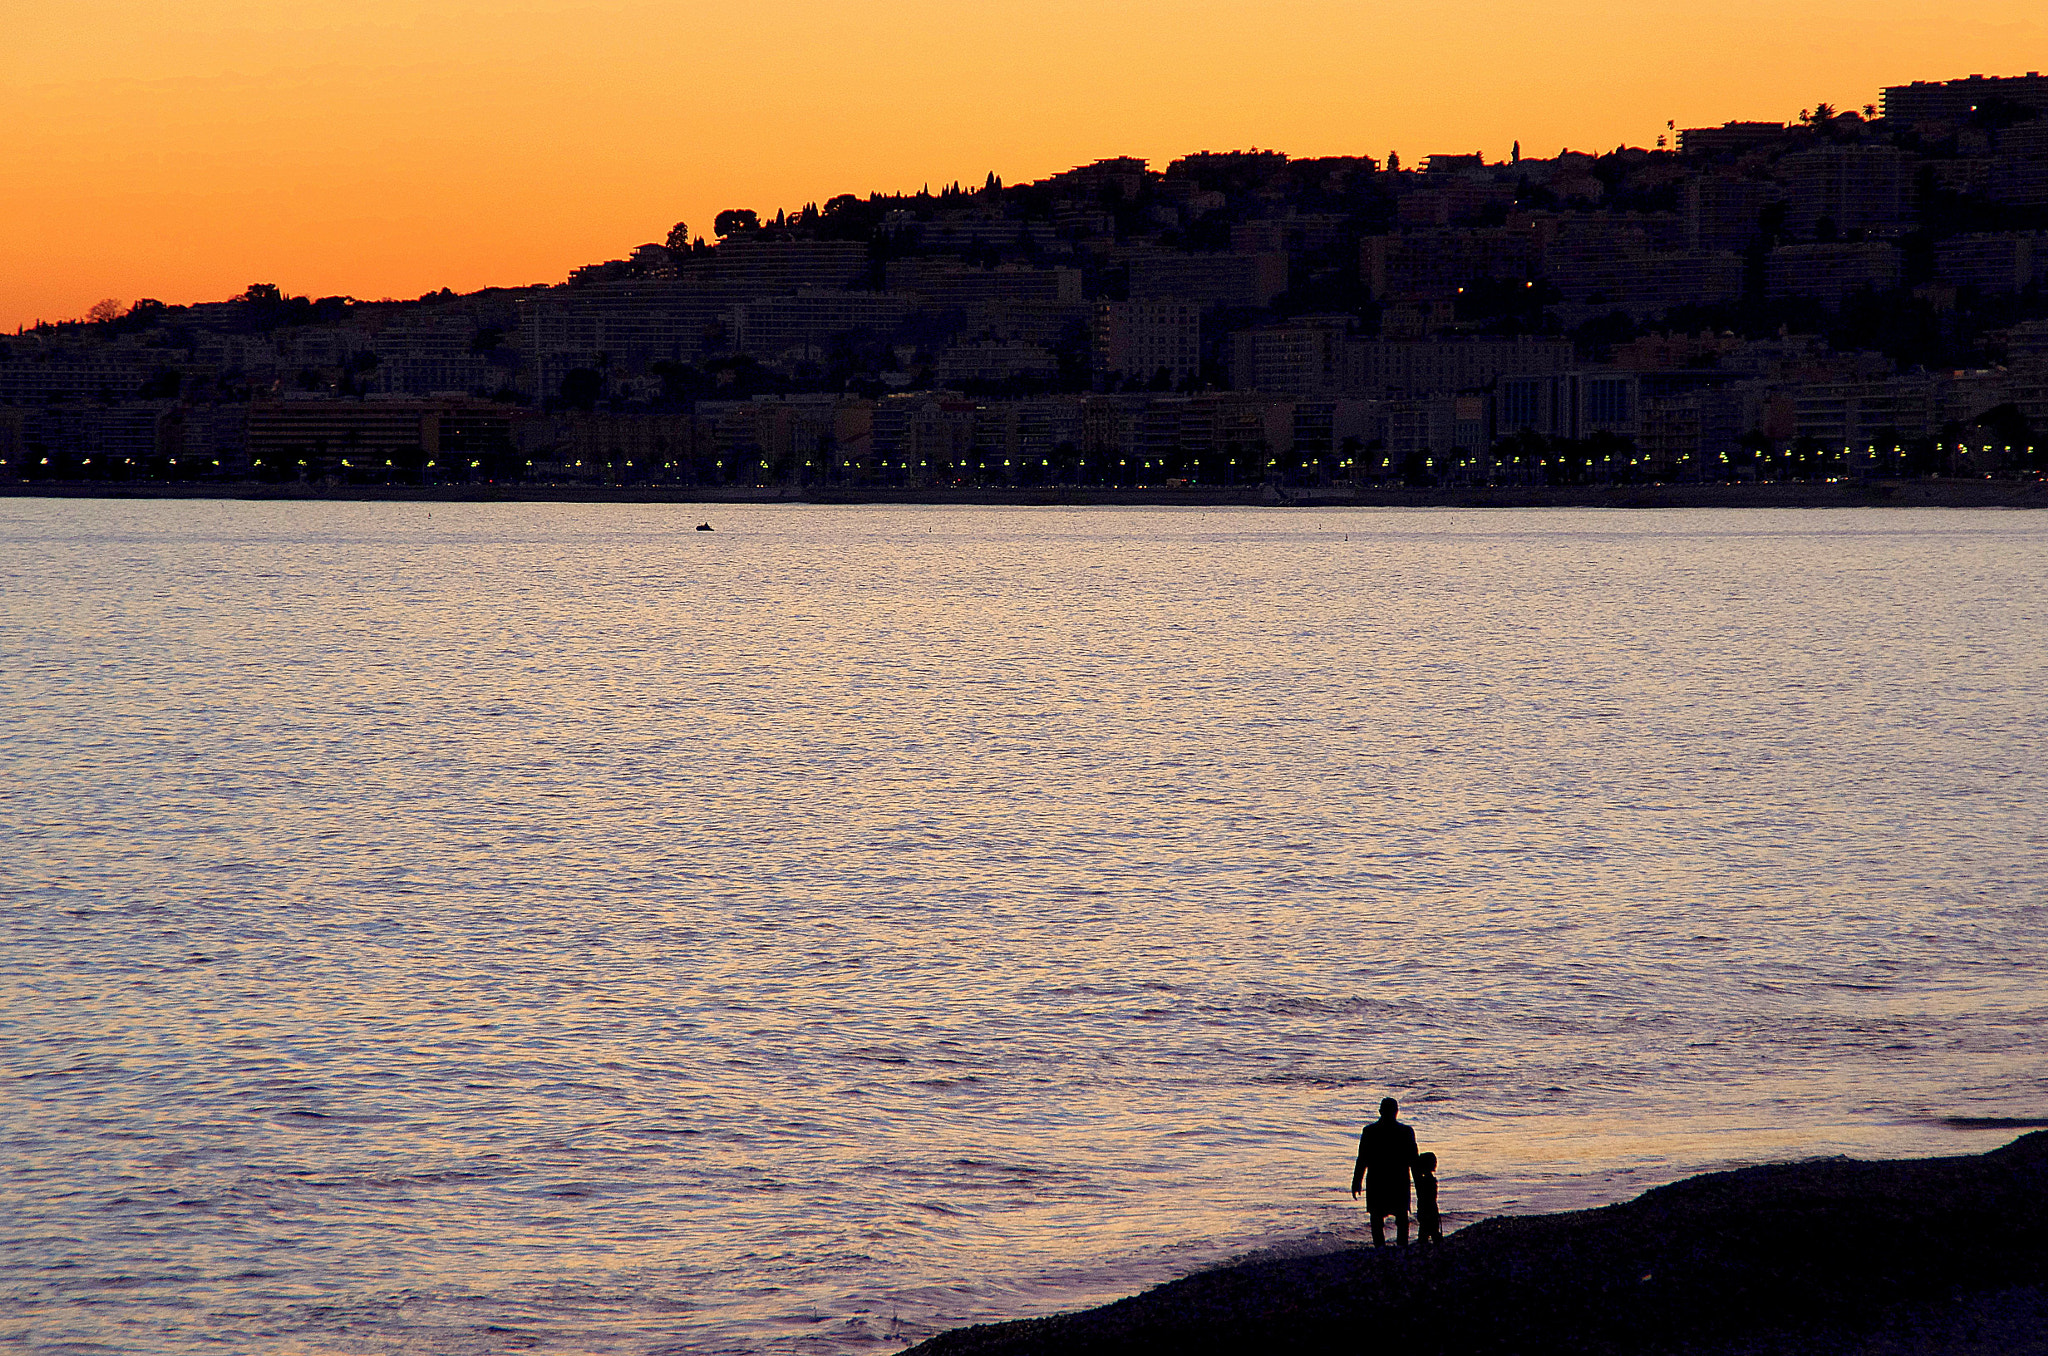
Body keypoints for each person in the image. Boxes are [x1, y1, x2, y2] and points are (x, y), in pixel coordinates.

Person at [1350, 1097, 1419, 1246]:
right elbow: (1414, 1161)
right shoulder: (1406, 1131)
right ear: (1396, 1112)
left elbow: (1362, 1159)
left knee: (1378, 1218)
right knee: (1400, 1217)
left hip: (1378, 1180)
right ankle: (1402, 1248)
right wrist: (1419, 1184)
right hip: (1398, 1180)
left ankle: (1380, 1249)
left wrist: (1357, 1182)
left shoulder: (1369, 1131)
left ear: (1380, 1111)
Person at [1414, 1150, 1442, 1244]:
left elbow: (1424, 1199)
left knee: (1424, 1234)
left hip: (1427, 1211)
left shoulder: (1424, 1181)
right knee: (1433, 1232)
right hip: (1432, 1210)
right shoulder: (1431, 1180)